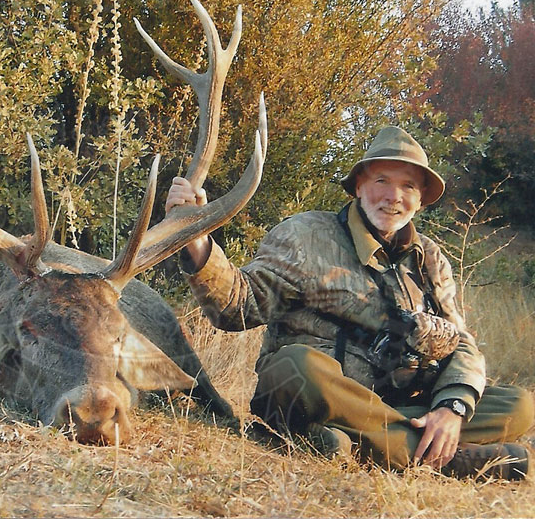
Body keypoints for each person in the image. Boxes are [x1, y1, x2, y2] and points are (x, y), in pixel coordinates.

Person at [166, 125, 534, 479]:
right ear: (358, 186)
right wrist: (197, 240)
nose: (394, 196)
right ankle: (442, 458)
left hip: (397, 402)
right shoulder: (305, 235)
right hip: (314, 395)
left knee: (519, 406)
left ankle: (352, 443)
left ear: (421, 198)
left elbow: (461, 343)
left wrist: (451, 409)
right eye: (381, 181)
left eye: (408, 185)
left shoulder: (430, 259)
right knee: (296, 364)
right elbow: (237, 307)